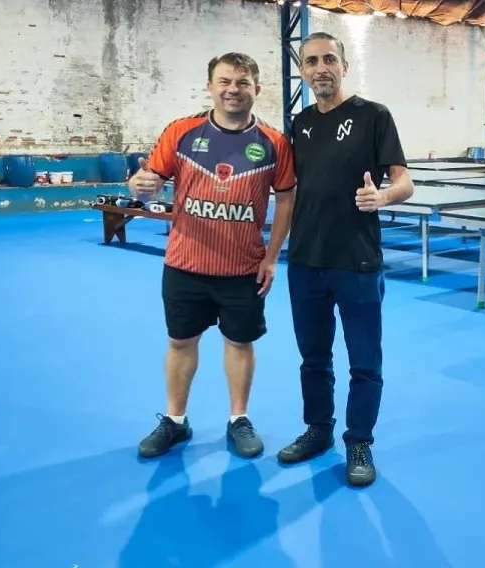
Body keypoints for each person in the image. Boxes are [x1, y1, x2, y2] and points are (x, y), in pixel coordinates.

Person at [128, 52, 296, 460]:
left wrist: (272, 256)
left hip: (243, 269)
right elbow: (148, 181)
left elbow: (287, 198)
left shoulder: (275, 143)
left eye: (242, 82)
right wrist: (139, 186)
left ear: (257, 88)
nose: (233, 90)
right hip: (185, 265)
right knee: (180, 342)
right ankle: (175, 420)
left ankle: (239, 418)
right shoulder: (182, 132)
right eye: (224, 81)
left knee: (240, 343)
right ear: (210, 86)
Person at [276, 32, 414, 487]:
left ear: (344, 65)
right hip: (305, 261)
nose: (322, 68)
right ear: (302, 71)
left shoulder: (374, 116)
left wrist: (383, 197)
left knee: (364, 362)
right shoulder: (299, 124)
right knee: (313, 358)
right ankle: (318, 430)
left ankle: (359, 442)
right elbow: (289, 189)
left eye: (329, 59)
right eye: (312, 61)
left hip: (357, 262)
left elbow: (404, 182)